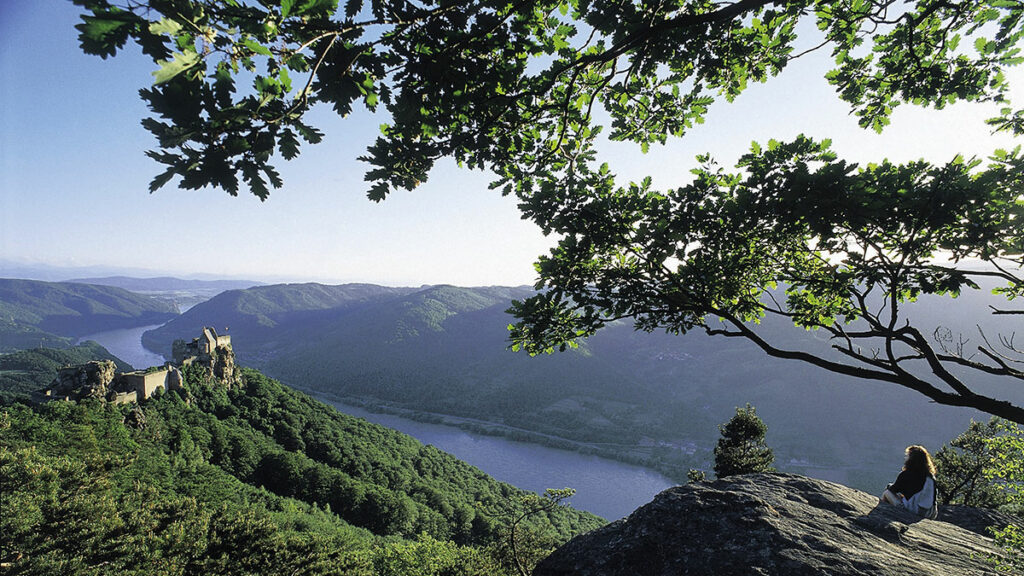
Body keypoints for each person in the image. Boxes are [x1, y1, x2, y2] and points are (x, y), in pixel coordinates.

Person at [880, 445, 939, 519]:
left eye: (907, 456)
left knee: (887, 492)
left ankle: (880, 514)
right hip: (930, 513)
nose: (906, 458)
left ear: (911, 459)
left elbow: (893, 489)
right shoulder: (930, 476)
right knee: (901, 496)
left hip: (914, 511)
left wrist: (889, 486)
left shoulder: (906, 474)